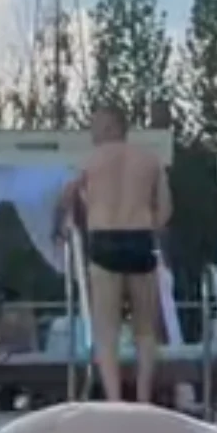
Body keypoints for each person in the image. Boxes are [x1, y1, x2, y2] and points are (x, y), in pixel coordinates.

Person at [59, 107, 171, 405]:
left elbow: (66, 200)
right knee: (145, 330)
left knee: (106, 331)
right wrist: (146, 226)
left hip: (105, 239)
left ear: (111, 127)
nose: (92, 134)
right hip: (140, 237)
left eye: (95, 127)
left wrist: (80, 217)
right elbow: (165, 210)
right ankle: (143, 399)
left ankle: (115, 399)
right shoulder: (150, 160)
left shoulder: (89, 162)